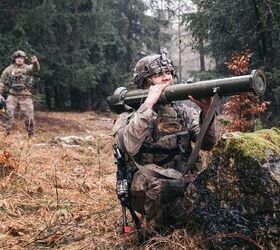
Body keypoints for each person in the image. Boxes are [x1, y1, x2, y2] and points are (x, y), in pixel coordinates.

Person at [112, 50, 217, 231]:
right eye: (159, 75)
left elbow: (208, 144)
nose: (166, 78)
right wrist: (148, 105)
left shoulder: (183, 112)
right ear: (146, 82)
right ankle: (158, 236)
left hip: (183, 180)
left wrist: (207, 113)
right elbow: (129, 146)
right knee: (164, 183)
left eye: (168, 73)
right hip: (146, 186)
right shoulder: (130, 115)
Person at [0, 50, 40, 137]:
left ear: (24, 59)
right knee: (8, 114)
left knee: (28, 116)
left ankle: (31, 136)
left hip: (25, 95)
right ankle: (5, 136)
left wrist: (35, 63)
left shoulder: (27, 68)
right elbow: (2, 82)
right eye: (17, 58)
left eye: (21, 58)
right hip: (12, 95)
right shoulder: (9, 69)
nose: (19, 59)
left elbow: (35, 69)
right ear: (14, 59)